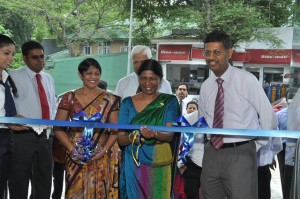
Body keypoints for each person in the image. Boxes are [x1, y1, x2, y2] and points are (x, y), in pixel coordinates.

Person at [198, 30, 277, 199]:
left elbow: (268, 118)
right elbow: (202, 121)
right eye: (207, 52)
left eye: (217, 52)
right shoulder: (206, 86)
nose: (211, 57)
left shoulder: (247, 80)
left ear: (229, 53)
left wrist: (252, 147)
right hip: (212, 154)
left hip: (241, 153)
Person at [54, 58, 120, 198]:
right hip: (75, 156)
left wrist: (103, 151)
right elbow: (58, 128)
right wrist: (73, 150)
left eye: (97, 73)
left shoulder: (110, 99)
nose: (93, 77)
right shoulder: (69, 97)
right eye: (89, 73)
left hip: (101, 156)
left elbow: (115, 131)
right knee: (75, 191)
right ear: (80, 75)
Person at [118, 59, 179, 198]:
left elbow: (169, 135)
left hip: (159, 161)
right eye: (143, 78)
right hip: (134, 162)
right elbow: (121, 139)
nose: (147, 83)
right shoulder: (127, 103)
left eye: (152, 79)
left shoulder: (169, 101)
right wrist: (133, 137)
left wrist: (154, 134)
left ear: (160, 79)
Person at [8, 41, 56, 199]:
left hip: (46, 137)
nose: (40, 60)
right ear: (24, 58)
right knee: (19, 181)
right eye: (35, 57)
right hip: (22, 136)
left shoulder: (48, 78)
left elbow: (51, 105)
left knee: (44, 182)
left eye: (42, 56)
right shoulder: (13, 76)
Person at [0, 34, 28, 199]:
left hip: (7, 138)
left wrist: (14, 117)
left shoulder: (6, 78)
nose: (10, 58)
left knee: (3, 184)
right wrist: (7, 122)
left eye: (12, 54)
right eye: (6, 53)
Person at [175, 100, 204, 199]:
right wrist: (180, 164)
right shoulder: (187, 119)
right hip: (192, 165)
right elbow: (179, 143)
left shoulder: (224, 117)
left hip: (215, 165)